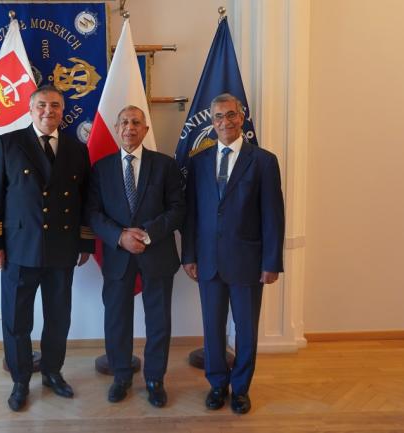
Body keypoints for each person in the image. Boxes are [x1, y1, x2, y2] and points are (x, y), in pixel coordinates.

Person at [0, 85, 95, 412]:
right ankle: (20, 380)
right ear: (31, 110)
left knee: (58, 318)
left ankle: (52, 373)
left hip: (62, 248)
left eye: (55, 105)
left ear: (63, 110)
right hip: (18, 249)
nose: (49, 111)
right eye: (42, 105)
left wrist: (85, 240)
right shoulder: (7, 143)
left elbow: (86, 200)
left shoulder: (77, 149)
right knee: (17, 320)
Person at [182, 93, 285, 414]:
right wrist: (189, 255)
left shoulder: (263, 161)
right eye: (218, 116)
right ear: (212, 122)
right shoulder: (198, 161)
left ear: (241, 118)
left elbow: (273, 216)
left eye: (230, 115)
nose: (224, 122)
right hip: (208, 261)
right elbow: (191, 214)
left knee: (245, 329)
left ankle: (240, 389)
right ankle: (217, 384)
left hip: (248, 262)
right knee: (212, 328)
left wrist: (271, 262)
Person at [87, 105, 185, 408]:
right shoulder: (101, 168)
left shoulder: (165, 165)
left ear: (145, 129)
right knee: (116, 319)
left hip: (157, 253)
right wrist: (120, 236)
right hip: (118, 256)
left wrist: (146, 234)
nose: (130, 127)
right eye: (125, 122)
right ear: (117, 129)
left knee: (158, 321)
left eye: (136, 123)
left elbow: (178, 209)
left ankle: (155, 379)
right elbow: (92, 213)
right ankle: (121, 376)